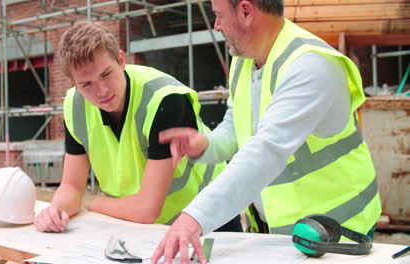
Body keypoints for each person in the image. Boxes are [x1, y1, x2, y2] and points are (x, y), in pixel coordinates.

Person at [150, 0, 382, 263]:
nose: (216, 26)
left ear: (246, 12)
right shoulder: (244, 63)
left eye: (218, 15)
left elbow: (266, 152)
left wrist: (194, 218)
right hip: (283, 234)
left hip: (336, 230)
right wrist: (206, 145)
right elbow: (237, 128)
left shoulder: (310, 65)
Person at [33, 21, 242, 233]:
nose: (102, 90)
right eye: (86, 84)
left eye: (106, 74)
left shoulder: (165, 99)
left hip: (209, 217)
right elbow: (71, 187)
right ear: (74, 84)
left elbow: (146, 209)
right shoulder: (74, 107)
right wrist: (56, 211)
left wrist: (92, 204)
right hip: (141, 226)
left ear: (122, 60)